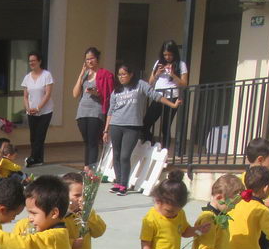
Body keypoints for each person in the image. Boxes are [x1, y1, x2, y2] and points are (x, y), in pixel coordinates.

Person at [104, 64, 181, 196]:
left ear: (131, 74)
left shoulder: (140, 85)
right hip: (116, 125)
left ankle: (124, 184)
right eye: (119, 75)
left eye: (124, 74)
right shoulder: (116, 90)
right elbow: (110, 111)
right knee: (116, 155)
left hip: (132, 126)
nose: (121, 77)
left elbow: (155, 96)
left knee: (124, 156)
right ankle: (118, 183)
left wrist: (172, 104)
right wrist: (106, 130)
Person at [72, 46, 114, 172]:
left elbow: (109, 95)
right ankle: (86, 167)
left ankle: (91, 168)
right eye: (87, 59)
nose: (89, 61)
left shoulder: (104, 74)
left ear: (97, 59)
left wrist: (97, 93)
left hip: (96, 111)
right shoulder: (85, 75)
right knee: (87, 141)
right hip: (82, 111)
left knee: (93, 141)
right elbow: (75, 94)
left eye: (92, 58)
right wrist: (81, 73)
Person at [143, 40, 189, 147]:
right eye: (165, 54)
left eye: (170, 54)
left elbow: (184, 83)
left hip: (172, 97)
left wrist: (172, 74)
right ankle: (151, 144)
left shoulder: (181, 65)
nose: (167, 57)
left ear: (174, 54)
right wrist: (157, 74)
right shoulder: (158, 63)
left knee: (166, 126)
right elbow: (149, 82)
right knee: (146, 123)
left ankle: (166, 152)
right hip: (158, 96)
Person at [21, 52, 54, 168]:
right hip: (31, 112)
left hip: (45, 111)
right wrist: (28, 108)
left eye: (34, 60)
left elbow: (48, 94)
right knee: (33, 136)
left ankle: (32, 158)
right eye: (30, 61)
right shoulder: (27, 77)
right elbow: (25, 96)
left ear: (39, 61)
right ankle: (38, 158)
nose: (32, 63)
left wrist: (39, 107)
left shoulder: (46, 75)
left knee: (40, 135)